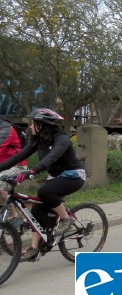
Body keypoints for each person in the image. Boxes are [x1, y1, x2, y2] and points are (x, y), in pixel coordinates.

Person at [0, 108, 86, 259]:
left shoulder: (62, 139)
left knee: (45, 192)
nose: (30, 127)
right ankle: (34, 248)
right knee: (37, 210)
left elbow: (51, 158)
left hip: (73, 176)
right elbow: (19, 156)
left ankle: (66, 219)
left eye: (33, 123)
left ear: (42, 125)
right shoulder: (38, 140)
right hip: (55, 177)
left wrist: (32, 171)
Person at [0, 119, 29, 224]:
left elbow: (1, 147)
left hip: (18, 166)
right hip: (4, 167)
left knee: (0, 185)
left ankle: (14, 216)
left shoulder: (7, 129)